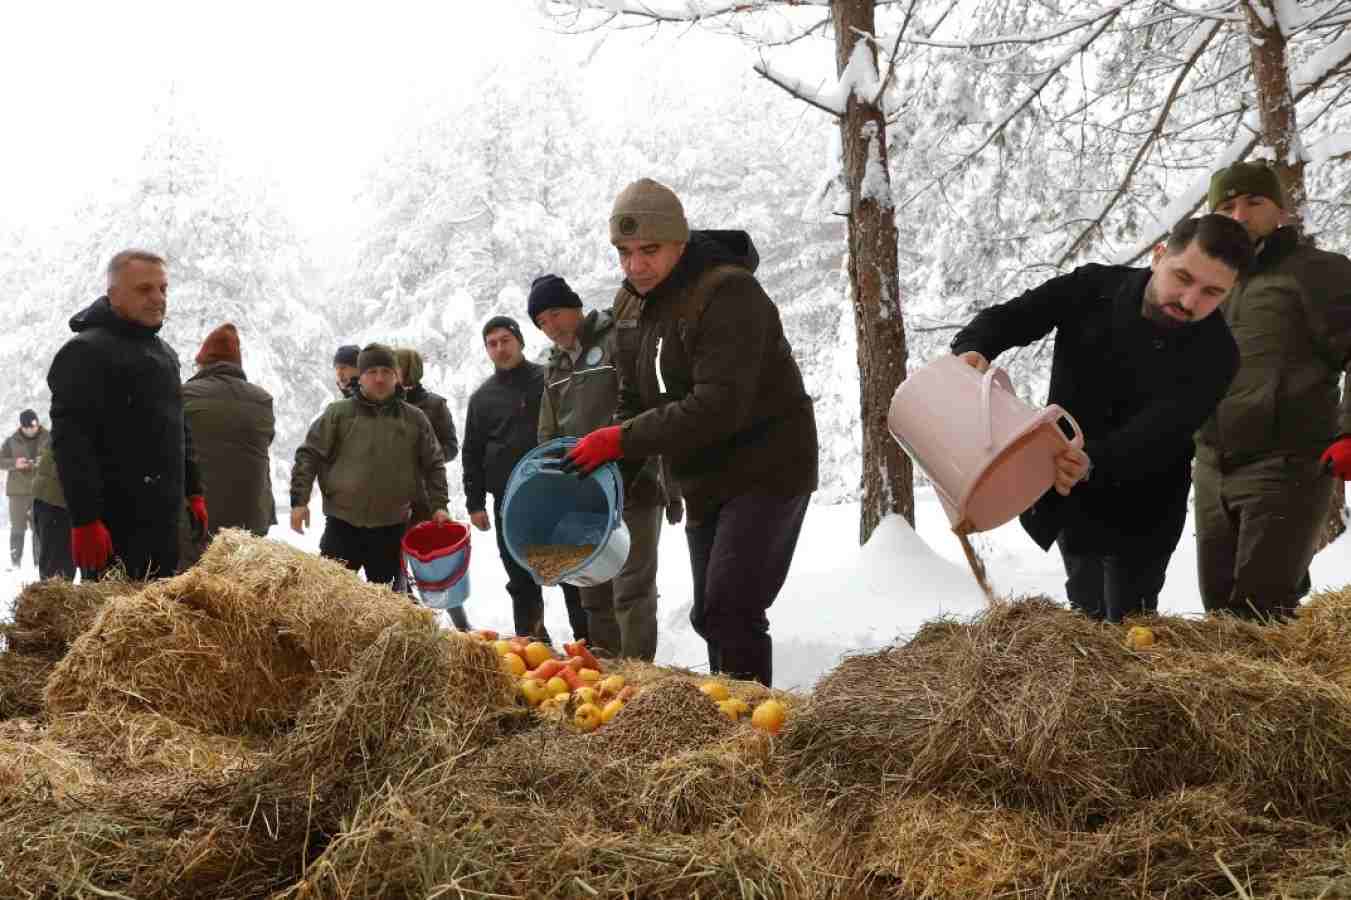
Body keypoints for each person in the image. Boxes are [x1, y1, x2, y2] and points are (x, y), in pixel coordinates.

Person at [561, 178, 818, 686]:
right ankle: (734, 708)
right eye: (624, 252)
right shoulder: (633, 305)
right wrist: (608, 485)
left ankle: (752, 720)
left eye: (649, 250)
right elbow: (634, 399)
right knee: (710, 614)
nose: (635, 266)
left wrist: (619, 440)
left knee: (730, 607)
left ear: (679, 242)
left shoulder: (728, 293)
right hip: (703, 476)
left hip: (767, 468)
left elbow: (717, 407)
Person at [949, 215, 1253, 622]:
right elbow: (1014, 317)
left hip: (1146, 506)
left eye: (1212, 293)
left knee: (1132, 624)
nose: (1189, 301)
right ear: (1159, 255)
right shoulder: (1092, 287)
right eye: (1183, 277)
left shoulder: (1218, 354)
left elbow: (1159, 433)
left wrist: (1091, 461)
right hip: (1069, 496)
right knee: (1084, 614)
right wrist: (975, 347)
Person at [1195, 161, 1351, 621]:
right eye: (1227, 207)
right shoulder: (1207, 280)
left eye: (1254, 202)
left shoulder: (1319, 272)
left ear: (1280, 210)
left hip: (1286, 464)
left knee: (1260, 610)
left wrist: (1349, 432)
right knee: (1219, 614)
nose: (1240, 215)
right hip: (1211, 468)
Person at [47, 249, 205, 580]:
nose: (158, 298)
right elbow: (72, 441)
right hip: (114, 524)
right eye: (144, 289)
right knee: (113, 611)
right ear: (114, 294)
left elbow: (179, 427)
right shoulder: (84, 352)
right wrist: (86, 519)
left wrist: (194, 490)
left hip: (163, 521)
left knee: (159, 607)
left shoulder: (165, 353)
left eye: (163, 288)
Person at [532, 273, 666, 660]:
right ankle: (606, 675)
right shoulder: (554, 366)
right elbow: (548, 433)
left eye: (555, 314)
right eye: (542, 322)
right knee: (593, 591)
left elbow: (643, 405)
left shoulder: (616, 341)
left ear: (576, 307)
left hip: (634, 483)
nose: (551, 326)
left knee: (631, 587)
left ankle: (637, 675)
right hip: (584, 494)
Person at [291, 343, 449, 586]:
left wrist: (439, 505)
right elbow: (309, 454)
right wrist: (299, 501)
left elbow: (434, 463)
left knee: (387, 601)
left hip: (391, 529)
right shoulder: (338, 414)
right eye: (372, 372)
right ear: (361, 376)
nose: (379, 379)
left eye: (386, 372)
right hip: (342, 525)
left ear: (396, 376)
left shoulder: (414, 419)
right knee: (328, 596)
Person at [462, 315, 563, 642]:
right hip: (508, 501)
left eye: (505, 340)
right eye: (492, 344)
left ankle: (590, 644)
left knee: (571, 573)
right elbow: (472, 452)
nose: (500, 348)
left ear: (520, 341)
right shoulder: (482, 398)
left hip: (556, 495)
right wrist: (475, 503)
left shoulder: (548, 379)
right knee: (521, 580)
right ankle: (533, 647)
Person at [177, 323, 276, 568]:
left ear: (203, 363)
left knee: (194, 583)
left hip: (198, 517)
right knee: (242, 582)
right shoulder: (263, 399)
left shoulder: (184, 395)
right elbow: (265, 440)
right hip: (252, 516)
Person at [392, 346, 469, 630]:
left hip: (426, 498)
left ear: (409, 370)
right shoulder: (384, 407)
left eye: (395, 367)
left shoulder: (435, 405)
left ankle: (463, 628)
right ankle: (413, 628)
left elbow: (451, 447)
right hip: (392, 500)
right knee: (395, 568)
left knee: (438, 565)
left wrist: (426, 454)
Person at [0, 410, 50, 568]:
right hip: (18, 492)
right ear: (21, 426)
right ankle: (16, 563)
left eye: (33, 426)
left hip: (42, 491)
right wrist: (14, 463)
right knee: (17, 528)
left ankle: (40, 563)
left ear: (37, 423)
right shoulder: (11, 441)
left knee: (40, 528)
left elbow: (60, 456)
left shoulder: (49, 438)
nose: (30, 430)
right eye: (27, 428)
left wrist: (46, 461)